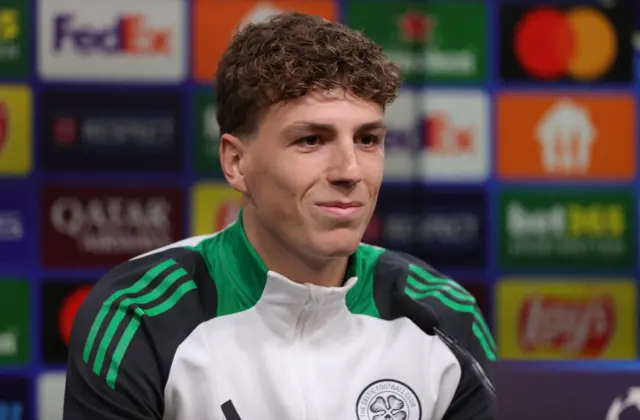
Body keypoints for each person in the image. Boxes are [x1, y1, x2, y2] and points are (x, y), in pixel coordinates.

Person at [63, 12, 497, 420]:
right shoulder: (137, 315)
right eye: (311, 140)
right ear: (236, 162)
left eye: (367, 139)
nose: (350, 171)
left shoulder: (444, 316)